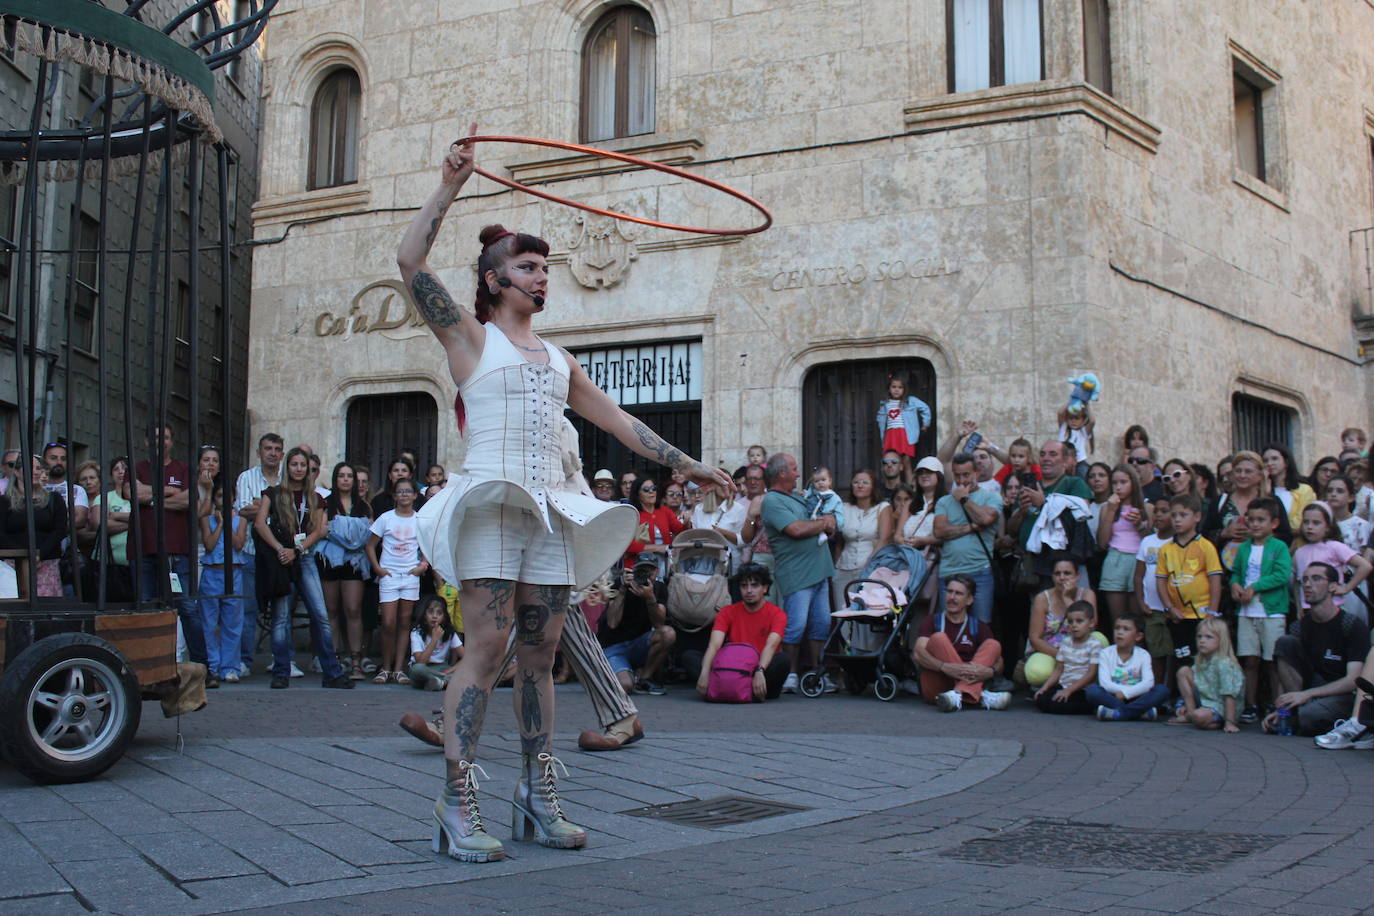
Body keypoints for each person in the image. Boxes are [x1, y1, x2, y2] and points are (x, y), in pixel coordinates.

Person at [397, 136, 728, 864]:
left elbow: (621, 422)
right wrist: (449, 184)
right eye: (528, 267)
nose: (542, 278)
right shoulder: (468, 338)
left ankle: (535, 795)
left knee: (544, 657)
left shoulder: (559, 359)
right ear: (493, 279)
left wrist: (690, 462)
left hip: (548, 511)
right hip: (489, 506)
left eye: (546, 269)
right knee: (485, 648)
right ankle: (458, 804)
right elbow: (410, 264)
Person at [254, 446, 353, 690]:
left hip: (304, 556)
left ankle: (331, 672)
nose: (298, 469)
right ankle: (281, 671)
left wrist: (296, 550)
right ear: (287, 467)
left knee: (321, 615)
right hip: (281, 559)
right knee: (280, 617)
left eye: (303, 465)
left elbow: (319, 530)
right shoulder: (273, 493)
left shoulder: (316, 498)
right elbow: (259, 524)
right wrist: (280, 548)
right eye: (294, 464)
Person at [760, 453, 837, 694]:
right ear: (781, 473)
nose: (797, 473)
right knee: (795, 626)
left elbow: (813, 520)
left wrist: (829, 521)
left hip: (820, 571)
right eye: (793, 469)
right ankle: (789, 674)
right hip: (797, 574)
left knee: (821, 625)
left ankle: (816, 673)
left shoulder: (795, 497)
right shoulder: (771, 501)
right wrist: (825, 523)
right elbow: (795, 529)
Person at [1262, 562, 1369, 736]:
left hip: (1342, 695)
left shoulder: (1351, 625)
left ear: (1333, 586)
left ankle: (1305, 718)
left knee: (1311, 716)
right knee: (1284, 642)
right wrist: (1283, 708)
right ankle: (1294, 713)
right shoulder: (1298, 627)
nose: (1308, 584)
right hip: (1310, 693)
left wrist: (1308, 695)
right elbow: (1291, 670)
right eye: (1304, 580)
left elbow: (1353, 681)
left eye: (1316, 578)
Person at [131, 427, 206, 669]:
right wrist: (166, 493)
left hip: (177, 551)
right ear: (145, 440)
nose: (159, 441)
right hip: (143, 548)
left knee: (186, 608)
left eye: (164, 437)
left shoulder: (183, 468)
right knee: (145, 607)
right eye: (153, 436)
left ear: (171, 442)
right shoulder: (138, 467)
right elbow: (131, 492)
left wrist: (150, 499)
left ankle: (201, 665)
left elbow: (188, 500)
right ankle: (148, 666)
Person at [1227, 496, 1290, 724]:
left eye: (1260, 520)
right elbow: (1235, 572)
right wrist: (1234, 585)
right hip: (1246, 612)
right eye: (1251, 519)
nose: (1254, 524)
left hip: (1271, 611)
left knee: (1273, 660)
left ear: (1273, 523)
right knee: (1250, 660)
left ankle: (1277, 702)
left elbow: (1282, 574)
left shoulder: (1279, 547)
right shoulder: (1243, 548)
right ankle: (1250, 703)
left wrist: (1255, 587)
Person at [912, 573, 1009, 711]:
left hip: (963, 681)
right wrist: (944, 667)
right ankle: (978, 696)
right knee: (939, 638)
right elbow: (918, 653)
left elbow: (999, 662)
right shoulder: (932, 622)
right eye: (949, 592)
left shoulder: (979, 627)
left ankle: (959, 694)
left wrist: (990, 672)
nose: (952, 597)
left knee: (993, 645)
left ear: (969, 600)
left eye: (958, 593)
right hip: (937, 684)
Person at [695, 563, 789, 701]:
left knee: (783, 660)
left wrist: (759, 670)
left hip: (760, 668)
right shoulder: (727, 612)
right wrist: (704, 673)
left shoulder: (777, 614)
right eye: (744, 586)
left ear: (765, 588)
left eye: (754, 585)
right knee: (691, 657)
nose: (749, 591)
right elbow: (714, 645)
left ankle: (726, 690)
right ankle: (739, 691)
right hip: (732, 668)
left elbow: (771, 646)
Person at [367, 477, 428, 684]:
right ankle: (385, 667)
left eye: (407, 491)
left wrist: (422, 567)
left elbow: (428, 546)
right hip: (389, 576)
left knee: (404, 622)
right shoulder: (386, 518)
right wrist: (377, 568)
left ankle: (399, 669)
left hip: (410, 576)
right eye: (400, 491)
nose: (404, 495)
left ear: (415, 495)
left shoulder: (419, 519)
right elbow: (370, 545)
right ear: (394, 495)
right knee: (388, 622)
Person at [235, 433, 285, 676]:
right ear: (259, 451)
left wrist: (262, 505)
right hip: (251, 552)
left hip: (281, 555)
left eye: (277, 449)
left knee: (280, 610)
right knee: (248, 610)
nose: (272, 453)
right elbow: (243, 510)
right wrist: (276, 509)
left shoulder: (288, 476)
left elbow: (293, 513)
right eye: (268, 448)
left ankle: (281, 659)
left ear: (282, 454)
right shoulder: (246, 477)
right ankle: (244, 660)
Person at [932, 452, 1002, 624]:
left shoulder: (991, 497)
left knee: (981, 623)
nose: (962, 481)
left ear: (976, 473)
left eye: (966, 475)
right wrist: (970, 527)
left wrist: (964, 499)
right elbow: (940, 531)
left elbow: (985, 519)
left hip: (980, 571)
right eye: (957, 475)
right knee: (948, 624)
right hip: (949, 572)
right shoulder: (944, 502)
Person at [1156, 492, 1223, 670]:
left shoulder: (1206, 546)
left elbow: (1215, 579)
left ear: (1197, 517)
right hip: (1178, 616)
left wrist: (1213, 612)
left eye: (1183, 515)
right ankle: (1184, 695)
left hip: (1202, 615)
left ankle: (1206, 696)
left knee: (1205, 660)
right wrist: (1169, 607)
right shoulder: (1165, 549)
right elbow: (1161, 581)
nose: (1177, 520)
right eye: (1174, 515)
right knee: (1183, 660)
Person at [320, 462, 373, 679]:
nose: (345, 479)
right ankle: (334, 660)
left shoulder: (363, 506)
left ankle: (355, 661)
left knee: (353, 609)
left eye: (349, 476)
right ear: (335, 479)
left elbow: (367, 533)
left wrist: (339, 530)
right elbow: (322, 530)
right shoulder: (325, 503)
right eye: (341, 475)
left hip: (355, 563)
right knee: (331, 611)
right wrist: (350, 532)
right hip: (330, 562)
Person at [597, 554, 674, 695]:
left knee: (668, 633)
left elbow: (659, 625)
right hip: (614, 646)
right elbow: (612, 623)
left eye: (649, 571)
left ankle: (644, 678)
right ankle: (620, 672)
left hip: (638, 644)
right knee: (625, 686)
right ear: (633, 571)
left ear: (656, 572)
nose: (645, 574)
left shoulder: (659, 588)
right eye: (641, 570)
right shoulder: (621, 585)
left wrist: (650, 598)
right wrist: (622, 591)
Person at [198, 478, 248, 684]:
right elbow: (209, 545)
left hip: (234, 573)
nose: (224, 500)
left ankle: (230, 666)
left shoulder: (241, 519)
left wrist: (227, 523)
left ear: (234, 498)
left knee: (232, 623)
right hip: (212, 573)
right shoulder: (206, 518)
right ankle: (213, 665)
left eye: (227, 496)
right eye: (219, 496)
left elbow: (238, 544)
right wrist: (219, 524)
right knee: (209, 623)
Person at [1021, 558, 1100, 687]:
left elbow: (1090, 627)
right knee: (1036, 672)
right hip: (1050, 650)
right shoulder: (1042, 598)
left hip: (1080, 647)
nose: (1062, 578)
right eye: (1057, 574)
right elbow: (1035, 638)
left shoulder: (1087, 594)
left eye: (1067, 573)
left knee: (1099, 638)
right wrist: (1063, 656)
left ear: (1077, 576)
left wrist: (1067, 599)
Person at [1292, 502, 1372, 624]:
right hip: (1308, 612)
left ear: (1328, 527)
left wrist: (1346, 588)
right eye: (1306, 522)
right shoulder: (1299, 553)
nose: (1309, 527)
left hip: (1333, 610)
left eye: (1316, 523)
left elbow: (1365, 566)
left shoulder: (1335, 547)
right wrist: (1299, 606)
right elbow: (1297, 583)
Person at [0, 456, 68, 596]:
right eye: (31, 468)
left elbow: (59, 530)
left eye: (38, 468)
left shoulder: (54, 499)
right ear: (17, 472)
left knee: (46, 609)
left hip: (46, 564)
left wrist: (38, 555)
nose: (36, 472)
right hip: (13, 565)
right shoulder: (4, 501)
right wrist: (23, 556)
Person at [1095, 464, 1149, 631]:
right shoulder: (1106, 507)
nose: (1118, 487)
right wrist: (1111, 511)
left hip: (1138, 560)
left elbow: (1150, 542)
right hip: (1115, 558)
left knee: (1137, 619)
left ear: (1133, 483)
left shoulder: (1147, 508)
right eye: (1114, 482)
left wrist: (1139, 524)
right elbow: (1102, 542)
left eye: (1123, 482)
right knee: (1117, 620)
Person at [1088, 613, 1169, 721]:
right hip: (1113, 697)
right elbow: (1105, 683)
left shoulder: (1143, 655)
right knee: (1092, 691)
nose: (1120, 632)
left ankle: (1118, 713)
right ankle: (1139, 713)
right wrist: (1121, 693)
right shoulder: (1105, 653)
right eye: (1117, 628)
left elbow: (1148, 683)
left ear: (1138, 636)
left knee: (1162, 690)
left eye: (1126, 629)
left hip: (1137, 697)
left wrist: (1127, 694)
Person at [832, 468, 892, 612]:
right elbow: (839, 540)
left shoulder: (883, 508)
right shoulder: (844, 508)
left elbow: (884, 539)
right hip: (844, 568)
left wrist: (869, 566)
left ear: (873, 486)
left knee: (867, 612)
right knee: (843, 612)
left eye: (865, 482)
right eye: (856, 482)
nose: (860, 485)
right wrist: (836, 564)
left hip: (870, 568)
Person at [1170, 616, 1243, 732]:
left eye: (1209, 637)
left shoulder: (1224, 663)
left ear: (1221, 640)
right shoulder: (1202, 659)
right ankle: (1191, 712)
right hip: (1205, 699)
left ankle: (1209, 719)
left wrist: (1230, 722)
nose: (1202, 641)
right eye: (1199, 637)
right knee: (1183, 671)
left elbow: (1230, 695)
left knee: (1199, 717)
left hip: (1221, 706)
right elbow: (1196, 682)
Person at [1132, 499, 1175, 686]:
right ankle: (1156, 691)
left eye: (1164, 511)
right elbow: (1138, 575)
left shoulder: (1178, 543)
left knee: (1174, 652)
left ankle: (1172, 691)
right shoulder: (1147, 541)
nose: (1158, 515)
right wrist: (1141, 602)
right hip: (1152, 607)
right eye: (1156, 511)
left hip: (1174, 609)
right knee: (1155, 652)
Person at [1032, 601, 1099, 715]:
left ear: (1091, 623)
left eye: (1079, 621)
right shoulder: (1066, 642)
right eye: (1070, 621)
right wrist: (1044, 687)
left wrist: (1070, 690)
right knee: (1042, 699)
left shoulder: (1094, 645)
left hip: (1081, 689)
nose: (1074, 625)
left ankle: (1091, 707)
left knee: (1058, 704)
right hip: (1064, 685)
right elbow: (1059, 669)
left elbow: (1091, 674)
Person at [623, 477, 686, 579]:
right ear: (637, 493)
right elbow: (626, 545)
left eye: (653, 488)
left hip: (664, 566)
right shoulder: (632, 514)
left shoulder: (665, 511)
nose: (651, 492)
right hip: (638, 567)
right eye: (646, 489)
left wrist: (687, 522)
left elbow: (681, 532)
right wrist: (657, 548)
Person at [875, 374, 930, 480]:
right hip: (891, 435)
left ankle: (910, 485)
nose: (896, 390)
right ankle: (896, 487)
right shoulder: (885, 404)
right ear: (889, 388)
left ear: (904, 389)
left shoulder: (910, 401)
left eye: (900, 387)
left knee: (906, 461)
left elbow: (925, 408)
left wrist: (925, 424)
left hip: (904, 434)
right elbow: (880, 420)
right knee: (892, 461)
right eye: (894, 387)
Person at [409, 594, 463, 691]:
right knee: (416, 669)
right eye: (430, 612)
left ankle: (439, 682)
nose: (434, 616)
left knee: (465, 671)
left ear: (444, 617)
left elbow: (466, 658)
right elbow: (420, 662)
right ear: (424, 614)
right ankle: (443, 682)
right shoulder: (416, 632)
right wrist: (434, 640)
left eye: (439, 613)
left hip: (442, 669)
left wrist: (451, 670)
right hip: (424, 669)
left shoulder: (449, 632)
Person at [1262, 443, 1315, 529]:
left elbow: (1300, 523)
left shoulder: (1304, 490)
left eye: (1274, 459)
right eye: (1265, 460)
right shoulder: (1260, 489)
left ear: (1286, 462)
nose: (1269, 463)